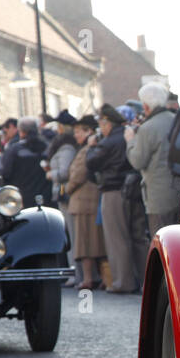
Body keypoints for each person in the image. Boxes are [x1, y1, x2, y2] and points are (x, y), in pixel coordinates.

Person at [86, 103, 138, 293]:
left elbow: (91, 164)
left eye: (101, 122)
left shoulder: (108, 142)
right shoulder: (125, 135)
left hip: (113, 190)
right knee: (132, 236)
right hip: (130, 189)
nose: (100, 127)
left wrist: (90, 147)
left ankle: (122, 282)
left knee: (116, 238)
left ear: (107, 121)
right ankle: (134, 279)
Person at [125, 82, 178, 232]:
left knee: (162, 242)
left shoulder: (147, 128)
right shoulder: (176, 120)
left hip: (158, 198)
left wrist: (130, 141)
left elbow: (137, 161)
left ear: (146, 106)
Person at [64, 114, 105, 291]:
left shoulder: (86, 149)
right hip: (90, 200)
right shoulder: (90, 147)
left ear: (88, 131)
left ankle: (89, 279)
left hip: (83, 202)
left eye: (78, 131)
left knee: (86, 244)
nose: (76, 135)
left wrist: (65, 189)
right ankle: (103, 278)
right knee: (97, 242)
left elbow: (77, 174)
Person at [45, 112, 78, 285]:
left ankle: (74, 273)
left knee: (70, 234)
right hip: (62, 192)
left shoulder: (66, 148)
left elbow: (65, 172)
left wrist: (51, 173)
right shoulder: (64, 146)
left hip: (65, 192)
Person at [0, 117, 51, 206]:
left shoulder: (14, 150)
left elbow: (6, 173)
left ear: (21, 131)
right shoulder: (47, 147)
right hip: (45, 197)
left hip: (21, 198)